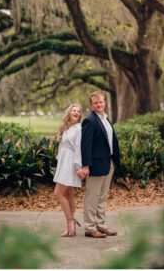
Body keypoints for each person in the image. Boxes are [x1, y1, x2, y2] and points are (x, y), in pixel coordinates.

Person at [81, 91, 121, 238]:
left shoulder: (106, 119)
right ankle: (89, 228)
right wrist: (85, 166)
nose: (99, 104)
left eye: (101, 102)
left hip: (108, 162)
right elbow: (85, 146)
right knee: (92, 197)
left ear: (105, 103)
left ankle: (101, 226)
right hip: (95, 165)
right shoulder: (89, 121)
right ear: (91, 105)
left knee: (102, 197)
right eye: (95, 103)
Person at [53, 104, 82, 237]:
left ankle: (70, 222)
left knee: (58, 193)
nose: (76, 112)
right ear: (69, 113)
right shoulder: (65, 127)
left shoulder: (78, 128)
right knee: (69, 194)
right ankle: (71, 227)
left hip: (71, 163)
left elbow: (78, 148)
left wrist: (78, 166)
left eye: (78, 111)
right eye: (74, 110)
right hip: (63, 162)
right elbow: (62, 146)